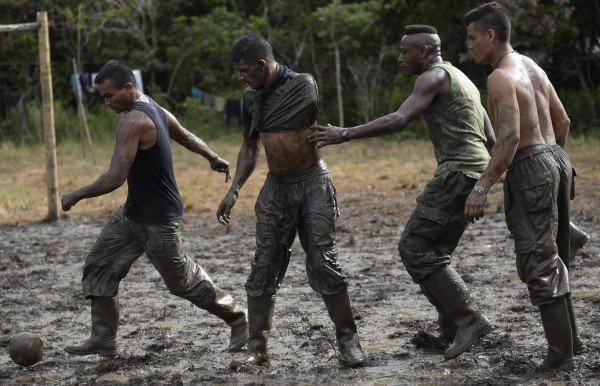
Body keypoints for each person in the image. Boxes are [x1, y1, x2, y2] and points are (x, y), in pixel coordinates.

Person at [308, 25, 494, 361]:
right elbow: (491, 139)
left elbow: (399, 119)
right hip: (470, 173)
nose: (399, 59)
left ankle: (470, 320)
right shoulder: (462, 78)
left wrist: (345, 133)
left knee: (414, 247)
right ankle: (450, 329)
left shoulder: (432, 78)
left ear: (423, 51)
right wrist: (484, 182)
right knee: (434, 251)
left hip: (456, 173)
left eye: (404, 51)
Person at [61, 60, 248, 357]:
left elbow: (115, 177)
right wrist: (212, 156)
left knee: (182, 282)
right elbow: (184, 134)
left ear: (127, 88)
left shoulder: (133, 120)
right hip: (133, 212)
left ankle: (238, 317)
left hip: (160, 218)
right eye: (103, 97)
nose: (107, 103)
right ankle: (103, 338)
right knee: (100, 265)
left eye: (109, 96)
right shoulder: (150, 104)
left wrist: (76, 194)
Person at [217, 35, 366, 369]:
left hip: (313, 182)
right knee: (264, 264)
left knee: (323, 260)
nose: (242, 78)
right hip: (277, 186)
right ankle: (258, 347)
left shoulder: (302, 84)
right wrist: (235, 189)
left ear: (261, 65)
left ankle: (348, 341)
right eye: (238, 72)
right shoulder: (251, 97)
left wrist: (257, 105)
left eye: (245, 71)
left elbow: (283, 118)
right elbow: (250, 145)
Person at [463, 2, 585, 370]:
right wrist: (554, 167)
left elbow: (510, 138)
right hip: (556, 160)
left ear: (490, 35)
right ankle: (573, 344)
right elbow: (562, 121)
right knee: (555, 258)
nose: (469, 46)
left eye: (472, 38)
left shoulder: (500, 77)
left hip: (532, 165)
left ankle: (561, 357)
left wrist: (481, 187)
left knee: (539, 262)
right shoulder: (532, 67)